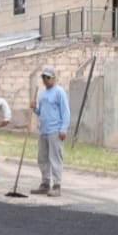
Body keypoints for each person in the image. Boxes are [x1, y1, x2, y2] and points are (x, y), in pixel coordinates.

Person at [30, 66, 70, 196]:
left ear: (54, 78)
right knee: (42, 158)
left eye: (48, 77)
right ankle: (45, 183)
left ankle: (57, 185)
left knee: (55, 158)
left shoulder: (59, 92)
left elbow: (65, 111)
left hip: (55, 130)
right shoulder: (41, 93)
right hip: (43, 130)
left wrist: (63, 128)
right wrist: (34, 108)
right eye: (43, 77)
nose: (45, 80)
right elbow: (41, 112)